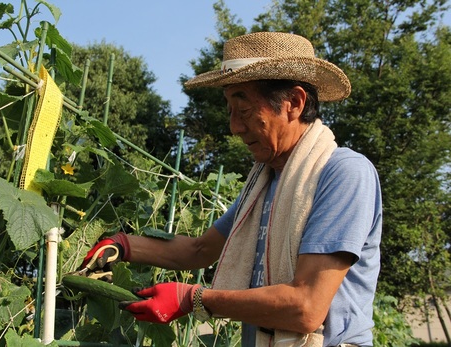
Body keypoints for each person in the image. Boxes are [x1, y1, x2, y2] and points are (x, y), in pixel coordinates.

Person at [81, 32, 382, 347]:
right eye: (230, 111)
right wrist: (121, 245)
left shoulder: (342, 174)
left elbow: (306, 307)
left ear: (294, 103)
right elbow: (200, 250)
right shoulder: (264, 183)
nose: (235, 127)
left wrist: (193, 298)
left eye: (245, 110)